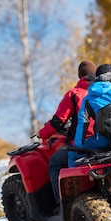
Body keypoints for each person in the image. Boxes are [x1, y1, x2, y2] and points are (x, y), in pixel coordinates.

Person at [38, 60, 97, 205]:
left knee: (54, 164)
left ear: (80, 76)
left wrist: (42, 133)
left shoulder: (74, 94)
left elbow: (58, 122)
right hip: (106, 141)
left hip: (83, 144)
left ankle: (63, 205)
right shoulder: (107, 90)